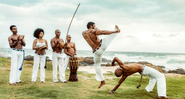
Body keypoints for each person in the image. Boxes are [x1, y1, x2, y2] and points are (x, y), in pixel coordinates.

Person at [82, 22, 120, 88]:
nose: (95, 26)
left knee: (97, 66)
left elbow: (92, 38)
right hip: (102, 46)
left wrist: (96, 30)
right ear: (91, 26)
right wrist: (97, 29)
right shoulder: (93, 30)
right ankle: (116, 31)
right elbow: (103, 32)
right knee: (108, 38)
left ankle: (102, 81)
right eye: (94, 25)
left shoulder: (83, 33)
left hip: (96, 51)